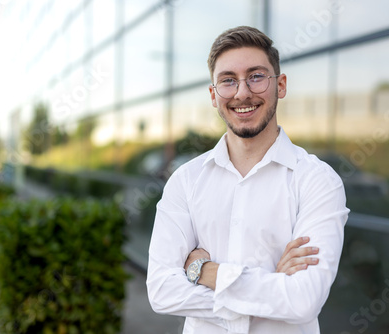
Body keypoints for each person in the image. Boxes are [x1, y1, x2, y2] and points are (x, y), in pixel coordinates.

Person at [146, 25, 349, 333]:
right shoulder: (185, 181)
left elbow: (304, 300)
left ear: (280, 85)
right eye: (228, 81)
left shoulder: (317, 181)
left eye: (256, 76)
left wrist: (202, 271)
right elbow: (161, 291)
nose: (242, 92)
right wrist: (273, 287)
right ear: (214, 96)